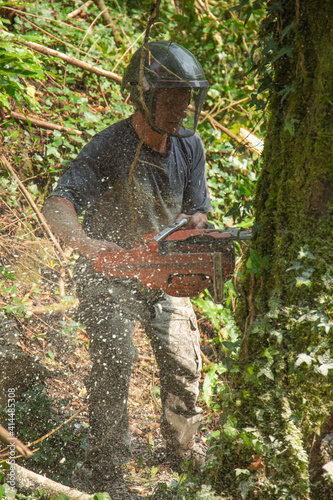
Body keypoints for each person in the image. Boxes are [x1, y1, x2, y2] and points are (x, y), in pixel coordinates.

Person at [43, 40, 212, 499]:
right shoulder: (110, 146)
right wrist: (83, 241)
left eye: (187, 98)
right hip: (111, 273)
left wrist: (197, 226)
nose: (181, 109)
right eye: (172, 97)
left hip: (164, 273)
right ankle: (107, 464)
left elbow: (199, 206)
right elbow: (59, 203)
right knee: (117, 356)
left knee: (182, 362)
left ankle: (181, 448)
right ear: (144, 95)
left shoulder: (190, 147)